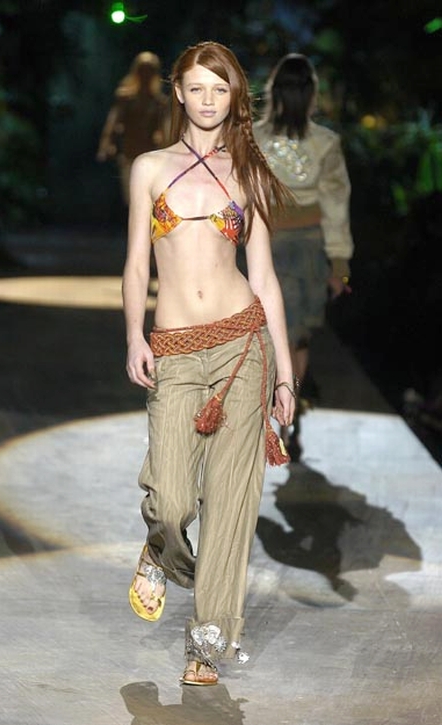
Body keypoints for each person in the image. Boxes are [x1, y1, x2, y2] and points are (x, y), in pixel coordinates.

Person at [122, 41, 297, 686]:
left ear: (234, 97)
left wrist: (284, 373)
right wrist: (133, 335)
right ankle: (161, 549)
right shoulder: (150, 168)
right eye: (196, 87)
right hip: (173, 349)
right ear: (178, 91)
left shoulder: (249, 171)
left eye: (219, 89)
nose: (207, 100)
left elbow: (265, 278)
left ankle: (207, 642)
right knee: (170, 501)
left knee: (230, 502)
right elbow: (136, 264)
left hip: (241, 347)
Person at [254, 53, 354, 459]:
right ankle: (289, 419)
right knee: (297, 337)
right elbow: (335, 203)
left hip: (265, 245)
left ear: (274, 92)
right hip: (308, 248)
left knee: (268, 333)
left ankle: (278, 414)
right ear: (312, 94)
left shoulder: (253, 138)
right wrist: (340, 264)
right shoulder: (325, 143)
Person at [96, 51, 169, 206]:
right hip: (129, 154)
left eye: (149, 71)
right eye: (143, 71)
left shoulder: (159, 103)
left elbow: (165, 130)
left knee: (149, 198)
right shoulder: (126, 99)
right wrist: (107, 144)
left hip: (150, 155)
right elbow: (113, 122)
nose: (145, 75)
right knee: (132, 199)